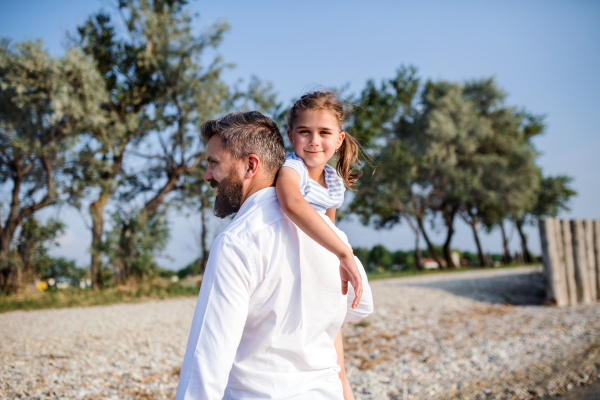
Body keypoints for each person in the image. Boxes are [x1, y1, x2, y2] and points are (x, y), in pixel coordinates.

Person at [175, 111, 373, 400]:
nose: (207, 175)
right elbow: (358, 308)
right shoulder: (333, 237)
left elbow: (206, 366)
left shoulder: (237, 241)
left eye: (213, 163)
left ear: (250, 166)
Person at [276, 90, 369, 399]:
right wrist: (346, 253)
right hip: (291, 262)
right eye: (305, 132)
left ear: (339, 139)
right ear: (291, 135)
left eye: (324, 133)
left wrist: (338, 258)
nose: (314, 140)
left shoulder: (333, 181)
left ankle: (341, 382)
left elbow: (330, 229)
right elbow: (291, 203)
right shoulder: (292, 169)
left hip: (320, 264)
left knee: (333, 320)